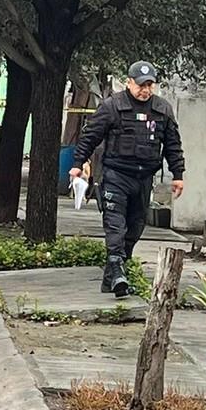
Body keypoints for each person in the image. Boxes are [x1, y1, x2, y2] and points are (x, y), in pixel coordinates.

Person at [70, 62, 185, 298]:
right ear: (129, 82)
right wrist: (77, 164)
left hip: (144, 178)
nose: (146, 90)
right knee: (115, 226)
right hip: (116, 175)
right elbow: (90, 136)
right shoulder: (113, 106)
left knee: (135, 227)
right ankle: (118, 272)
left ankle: (114, 274)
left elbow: (173, 144)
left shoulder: (162, 109)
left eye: (150, 85)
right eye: (141, 85)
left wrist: (178, 175)